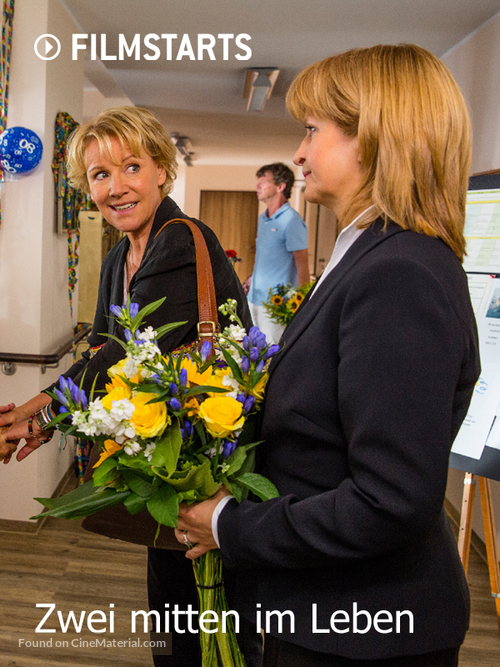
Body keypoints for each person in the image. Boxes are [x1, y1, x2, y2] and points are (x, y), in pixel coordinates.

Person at [173, 44, 480, 667]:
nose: (299, 152)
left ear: (373, 138)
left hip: (361, 628)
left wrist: (230, 524)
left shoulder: (399, 274)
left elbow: (388, 500)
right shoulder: (372, 256)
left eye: (313, 130)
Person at [0, 106, 257, 667]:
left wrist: (36, 415)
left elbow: (123, 356)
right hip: (163, 466)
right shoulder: (119, 255)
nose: (116, 188)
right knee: (173, 622)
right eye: (99, 175)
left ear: (162, 169)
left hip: (215, 468)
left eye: (131, 167)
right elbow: (99, 349)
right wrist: (47, 418)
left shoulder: (181, 240)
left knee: (215, 627)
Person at [245, 162, 309, 343]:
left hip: (276, 306)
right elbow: (267, 258)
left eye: (264, 182)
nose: (258, 186)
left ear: (280, 187)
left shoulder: (292, 221)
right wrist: (252, 278)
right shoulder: (263, 218)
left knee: (271, 356)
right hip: (254, 298)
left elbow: (302, 266)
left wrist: (303, 306)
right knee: (251, 353)